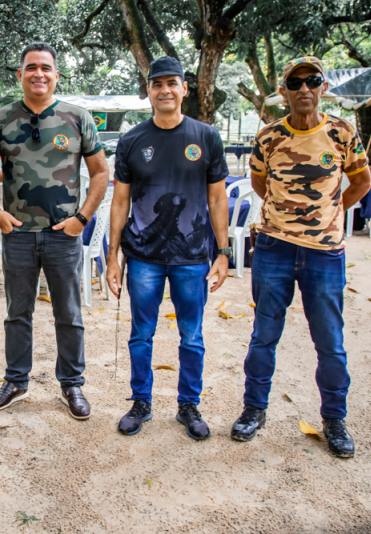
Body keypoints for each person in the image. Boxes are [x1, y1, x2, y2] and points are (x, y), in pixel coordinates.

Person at [230, 56, 371, 458]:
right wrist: (287, 217)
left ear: (323, 87)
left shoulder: (342, 132)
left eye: (313, 81)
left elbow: (361, 181)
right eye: (296, 82)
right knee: (264, 335)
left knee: (329, 340)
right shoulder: (269, 136)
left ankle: (335, 419)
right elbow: (260, 182)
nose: (304, 88)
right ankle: (254, 410)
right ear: (284, 92)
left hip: (325, 253)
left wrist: (330, 212)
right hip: (274, 248)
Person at [0, 42, 109, 419]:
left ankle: (72, 385)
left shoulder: (77, 117)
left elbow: (101, 173)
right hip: (17, 233)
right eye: (31, 67)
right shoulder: (1, 119)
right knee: (17, 312)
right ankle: (16, 381)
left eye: (46, 68)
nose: (39, 74)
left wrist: (81, 220)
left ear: (55, 75)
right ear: (20, 74)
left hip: (62, 235)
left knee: (68, 313)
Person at [105, 56, 231, 439]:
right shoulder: (131, 141)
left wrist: (223, 253)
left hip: (192, 258)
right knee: (141, 334)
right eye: (157, 84)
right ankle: (141, 401)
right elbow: (120, 201)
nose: (164, 90)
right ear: (148, 91)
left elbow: (217, 200)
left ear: (184, 89)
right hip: (143, 257)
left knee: (191, 335)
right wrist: (112, 256)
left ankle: (188, 405)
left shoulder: (206, 137)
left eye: (171, 83)